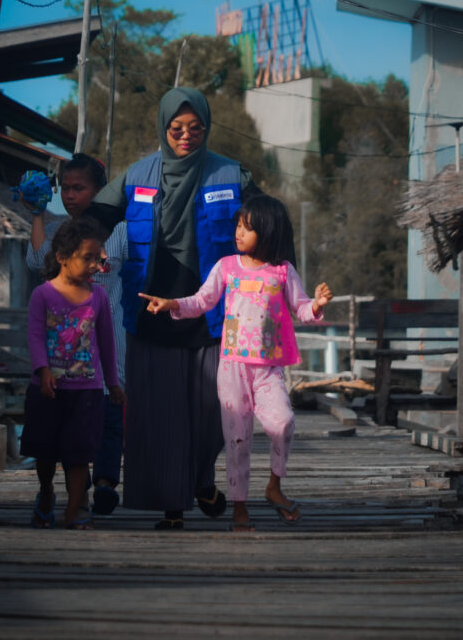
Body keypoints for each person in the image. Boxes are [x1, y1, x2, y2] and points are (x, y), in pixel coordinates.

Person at [86, 86, 259, 529]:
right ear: (164, 128)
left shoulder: (232, 175)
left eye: (196, 128)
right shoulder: (136, 175)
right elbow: (95, 220)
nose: (186, 136)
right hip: (152, 313)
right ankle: (172, 509)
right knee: (161, 420)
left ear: (207, 128)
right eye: (177, 128)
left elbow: (269, 225)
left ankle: (201, 478)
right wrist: (80, 257)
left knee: (219, 411)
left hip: (214, 315)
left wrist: (281, 280)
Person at [141, 194, 333, 531]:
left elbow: (301, 309)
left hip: (269, 368)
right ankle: (239, 508)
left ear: (268, 230)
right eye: (238, 226)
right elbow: (202, 301)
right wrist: (172, 303)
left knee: (283, 422)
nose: (238, 233)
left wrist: (316, 305)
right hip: (232, 368)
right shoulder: (227, 267)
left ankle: (274, 486)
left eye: (247, 227)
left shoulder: (283, 271)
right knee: (237, 438)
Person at [23, 154, 128, 515]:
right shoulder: (54, 234)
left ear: (100, 191)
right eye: (65, 188)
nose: (69, 196)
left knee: (105, 424)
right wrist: (37, 214)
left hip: (104, 349)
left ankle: (102, 486)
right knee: (58, 437)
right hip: (59, 362)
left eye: (79, 188)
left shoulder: (120, 231)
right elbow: (38, 262)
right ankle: (64, 495)